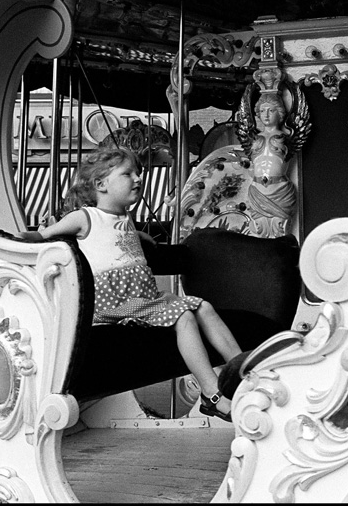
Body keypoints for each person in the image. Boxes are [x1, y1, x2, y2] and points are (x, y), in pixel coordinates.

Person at [20, 146, 242, 421]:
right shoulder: (85, 217)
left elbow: (123, 238)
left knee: (204, 307)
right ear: (101, 184)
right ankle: (211, 392)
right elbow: (44, 236)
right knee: (183, 316)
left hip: (144, 299)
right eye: (128, 174)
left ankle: (245, 373)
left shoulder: (125, 219)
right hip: (114, 303)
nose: (138, 178)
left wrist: (142, 238)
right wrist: (27, 236)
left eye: (139, 172)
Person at [247, 93, 296, 237]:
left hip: (279, 190)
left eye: (271, 110)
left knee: (280, 229)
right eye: (262, 111)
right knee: (259, 230)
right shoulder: (254, 139)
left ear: (279, 113)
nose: (266, 115)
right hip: (257, 190)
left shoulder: (285, 138)